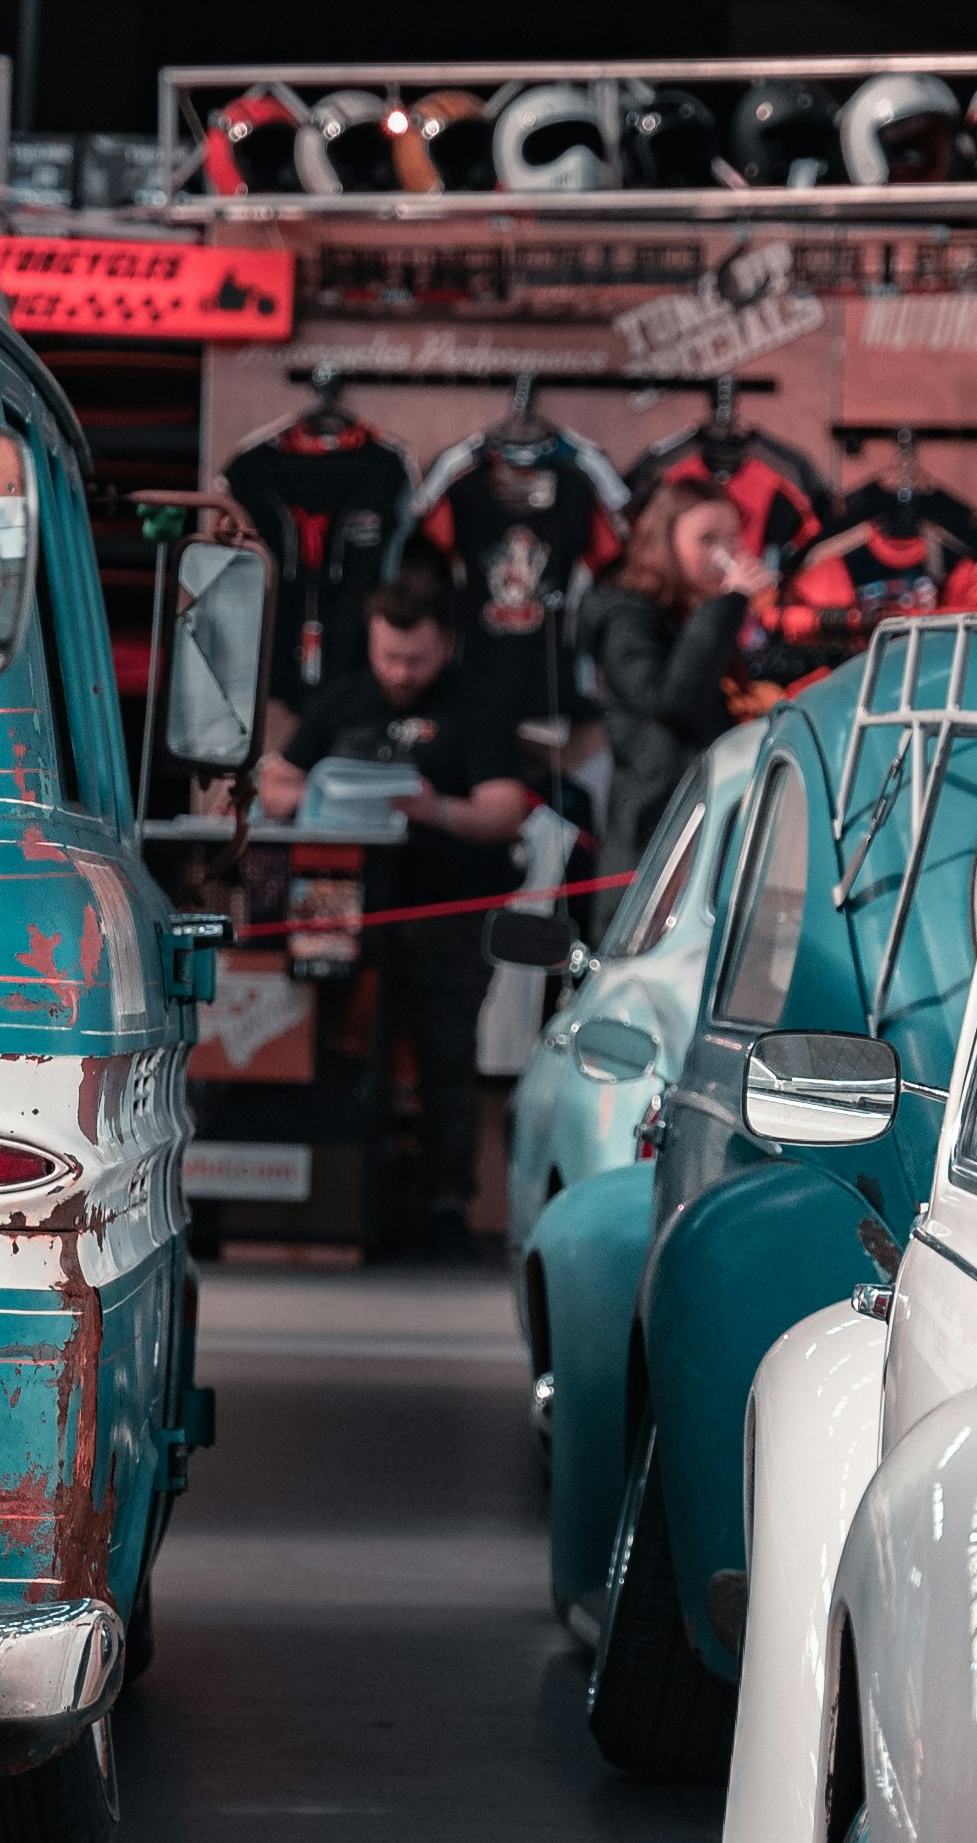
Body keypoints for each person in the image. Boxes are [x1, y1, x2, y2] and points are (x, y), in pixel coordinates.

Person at [259, 569, 549, 1259]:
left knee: (446, 1055)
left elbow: (505, 810)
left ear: (445, 644)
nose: (400, 671)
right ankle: (340, 1191)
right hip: (345, 910)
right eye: (389, 655)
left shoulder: (475, 707)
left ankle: (447, 1204)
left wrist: (434, 809)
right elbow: (276, 779)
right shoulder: (344, 698)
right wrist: (313, 799)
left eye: (415, 658)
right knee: (340, 1049)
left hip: (442, 910)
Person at [578, 473, 748, 880]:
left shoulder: (698, 612)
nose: (724, 554)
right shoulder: (628, 618)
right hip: (654, 831)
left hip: (707, 816)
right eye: (707, 540)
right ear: (666, 544)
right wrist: (727, 606)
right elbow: (669, 699)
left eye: (732, 539)